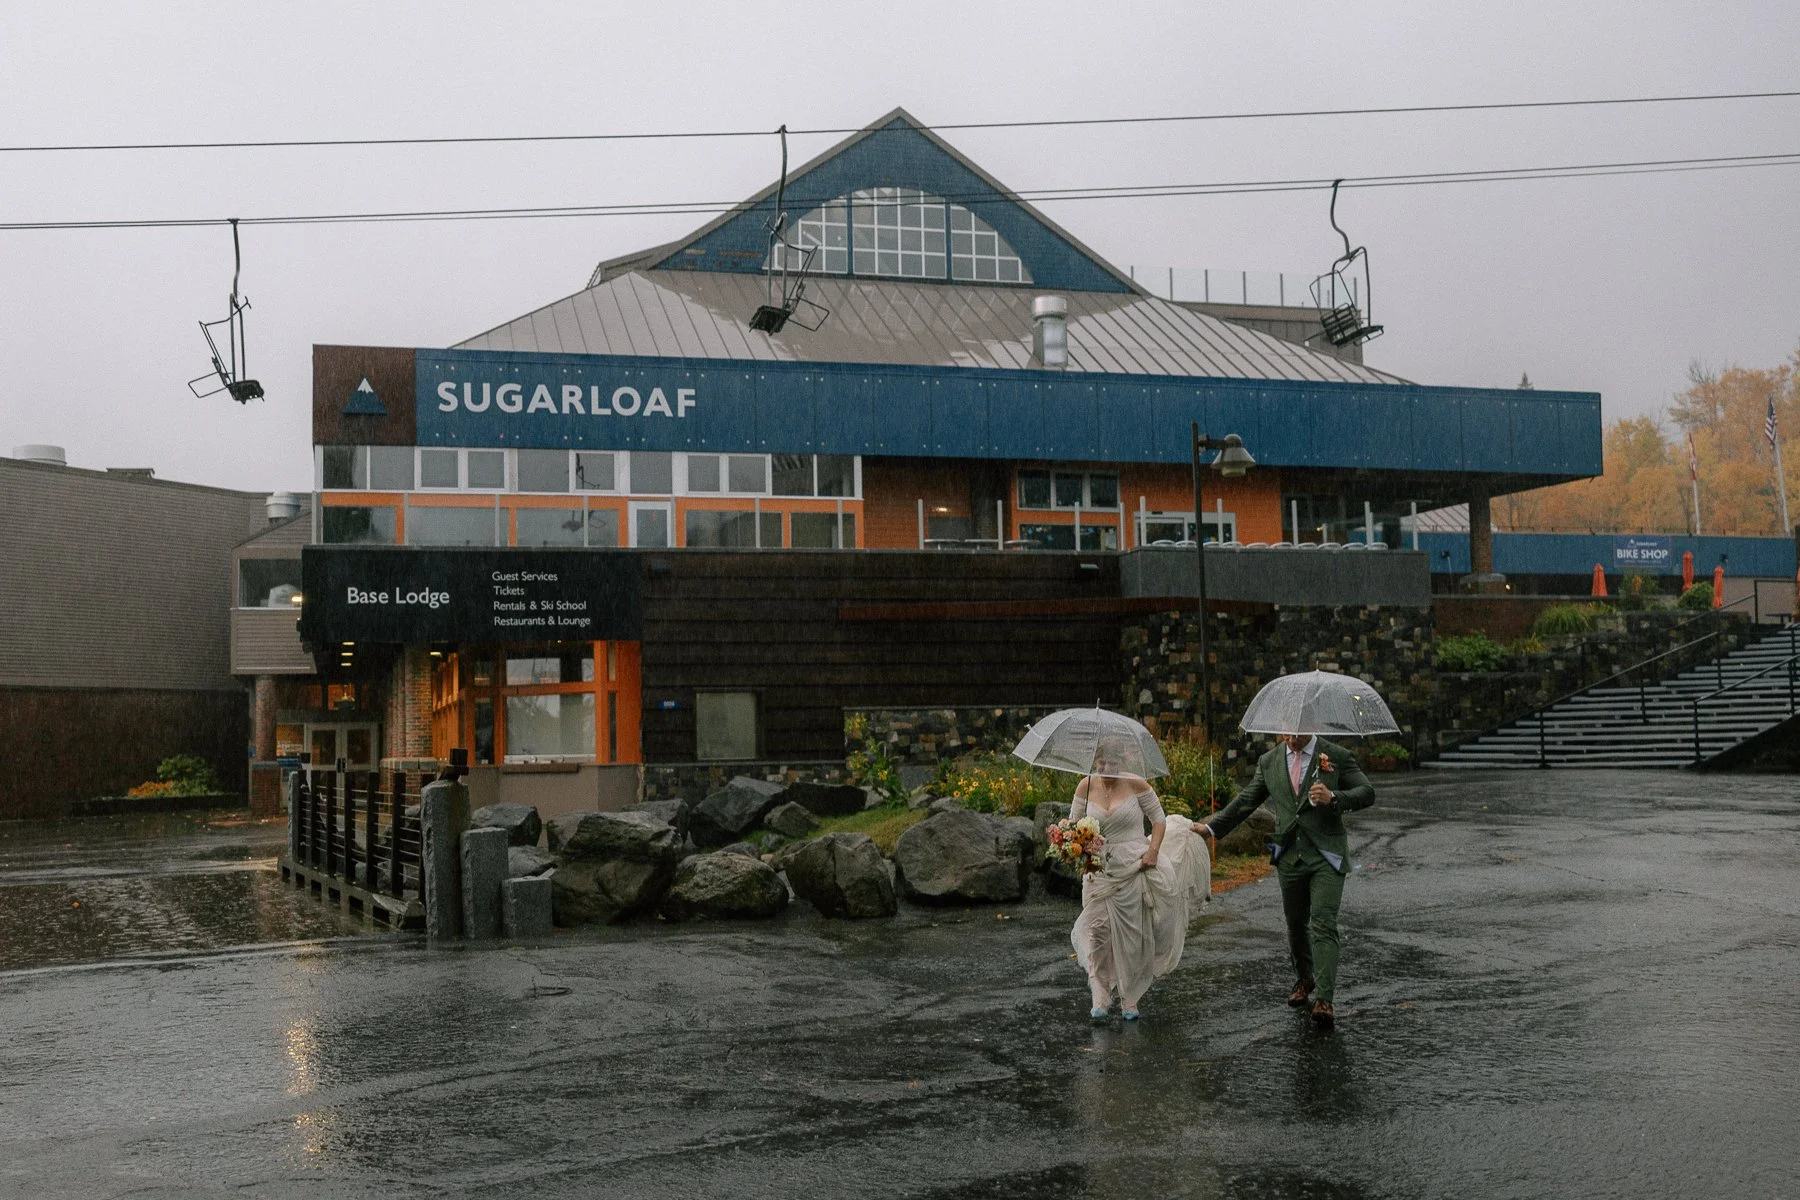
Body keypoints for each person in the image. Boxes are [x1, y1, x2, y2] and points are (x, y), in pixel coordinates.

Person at [1202, 732, 1374, 1030]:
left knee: (1323, 922)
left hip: (1326, 855)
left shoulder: (1335, 755)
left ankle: (1325, 998)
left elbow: (1366, 792)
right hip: (1290, 855)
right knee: (1296, 923)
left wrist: (1334, 798)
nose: (1292, 738)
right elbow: (1246, 801)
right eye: (1286, 732)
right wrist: (1211, 828)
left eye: (1298, 731)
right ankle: (1305, 979)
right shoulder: (1269, 762)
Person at [1069, 738, 1209, 1022]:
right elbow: (1073, 824)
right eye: (1102, 763)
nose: (1108, 769)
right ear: (1096, 762)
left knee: (1132, 935)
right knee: (1097, 933)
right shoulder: (1085, 786)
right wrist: (1076, 847)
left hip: (1134, 865)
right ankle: (1100, 996)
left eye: (1114, 763)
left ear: (1123, 762)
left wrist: (1154, 851)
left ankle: (1129, 998)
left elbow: (1159, 820)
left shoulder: (1137, 785)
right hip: (1098, 870)